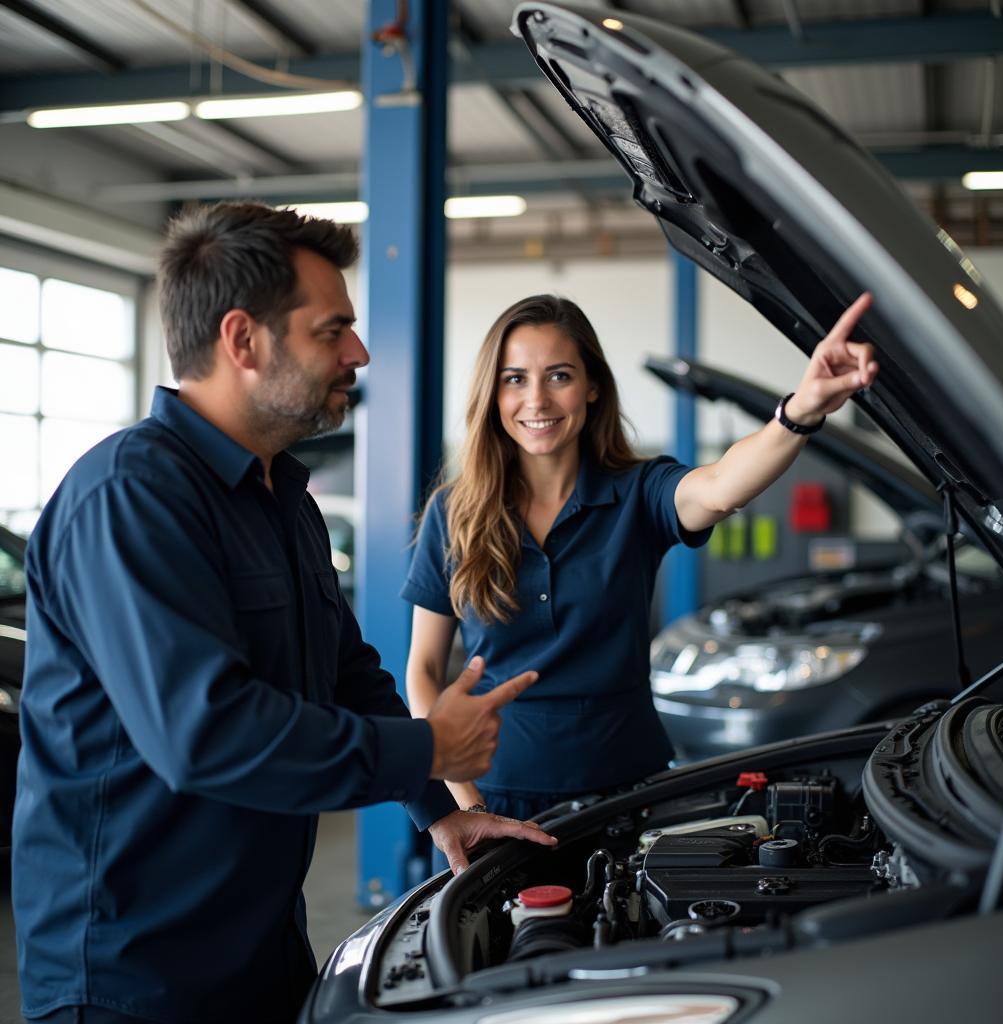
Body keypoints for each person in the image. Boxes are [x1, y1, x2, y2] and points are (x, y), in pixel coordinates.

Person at [12, 202, 555, 1024]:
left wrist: (443, 812)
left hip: (262, 948)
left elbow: (345, 674)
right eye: (332, 330)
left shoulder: (282, 496)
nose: (359, 353)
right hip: (134, 976)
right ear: (244, 341)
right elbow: (204, 734)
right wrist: (429, 742)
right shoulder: (130, 498)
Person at [402, 292, 877, 845]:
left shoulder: (638, 491)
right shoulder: (454, 512)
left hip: (630, 797)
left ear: (593, 386)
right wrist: (464, 801)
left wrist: (801, 410)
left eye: (559, 376)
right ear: (492, 392)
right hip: (493, 798)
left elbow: (721, 488)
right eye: (514, 379)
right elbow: (424, 671)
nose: (536, 399)